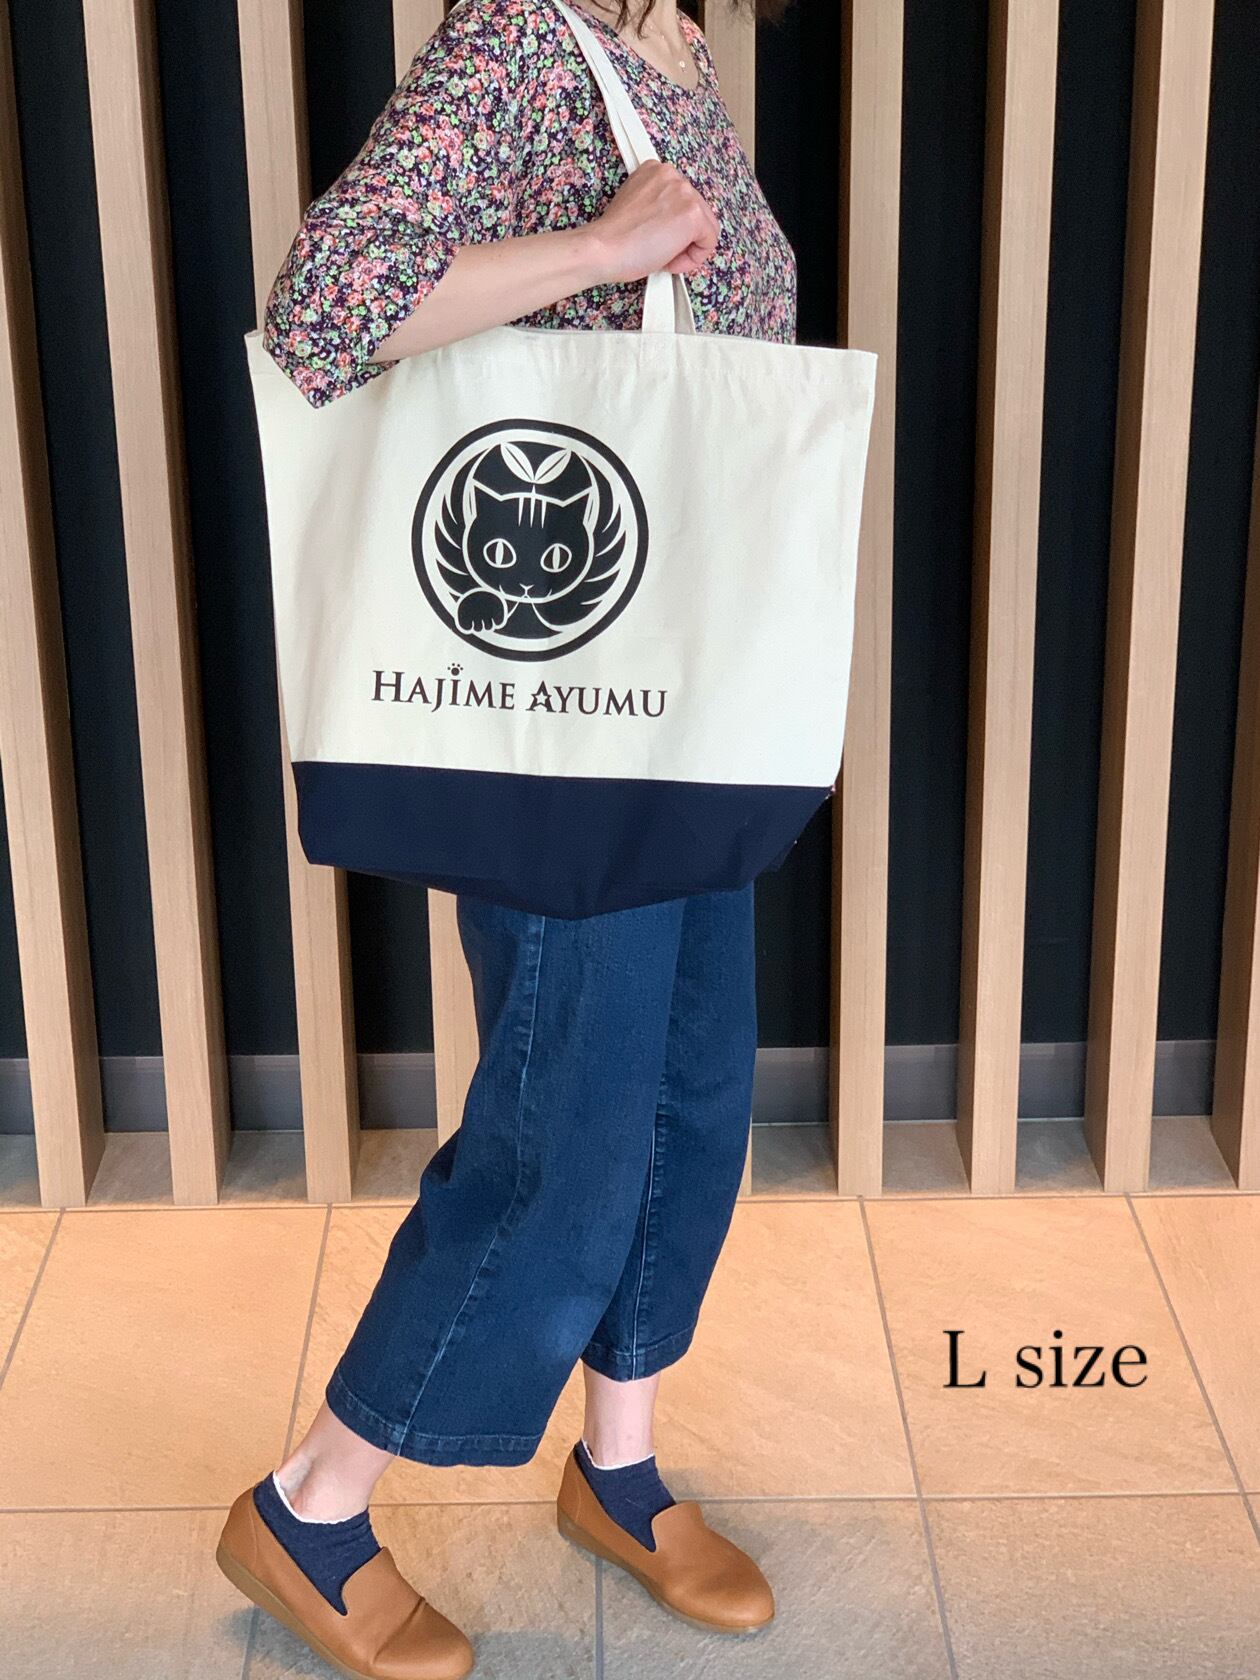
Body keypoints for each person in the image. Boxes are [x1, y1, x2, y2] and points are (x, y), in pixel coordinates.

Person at [217, 1, 796, 1674]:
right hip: (569, 718)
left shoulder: (680, 53)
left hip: (689, 698)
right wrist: (601, 247)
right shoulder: (520, 45)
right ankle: (311, 1506)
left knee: (689, 1097)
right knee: (567, 1133)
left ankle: (620, 1469)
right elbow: (326, 309)